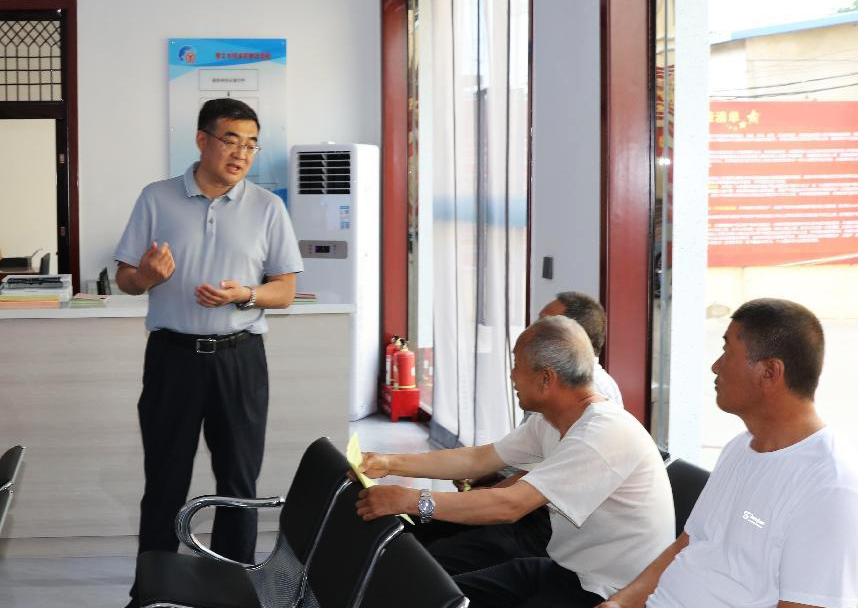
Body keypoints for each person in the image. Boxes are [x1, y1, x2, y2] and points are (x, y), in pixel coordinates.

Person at [114, 98, 303, 608]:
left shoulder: (268, 207)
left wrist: (246, 294)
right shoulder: (156, 198)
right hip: (172, 357)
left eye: (251, 144)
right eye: (231, 140)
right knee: (165, 479)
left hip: (240, 359)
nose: (242, 153)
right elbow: (125, 277)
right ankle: (149, 592)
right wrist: (146, 276)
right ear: (202, 140)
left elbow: (285, 289)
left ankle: (232, 592)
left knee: (238, 482)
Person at [356, 316, 674, 608]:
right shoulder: (553, 420)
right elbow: (479, 459)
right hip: (565, 571)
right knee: (430, 597)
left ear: (546, 379)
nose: (512, 375)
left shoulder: (601, 433)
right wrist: (388, 462)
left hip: (608, 595)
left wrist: (410, 500)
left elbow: (510, 506)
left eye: (517, 365)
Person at [596, 298, 858, 608]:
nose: (715, 366)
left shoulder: (830, 486)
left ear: (770, 372)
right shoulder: (739, 447)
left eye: (727, 351)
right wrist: (620, 603)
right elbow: (688, 543)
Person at [539, 291, 622, 406]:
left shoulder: (590, 387)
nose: (533, 331)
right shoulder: (562, 379)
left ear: (573, 335)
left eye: (544, 324)